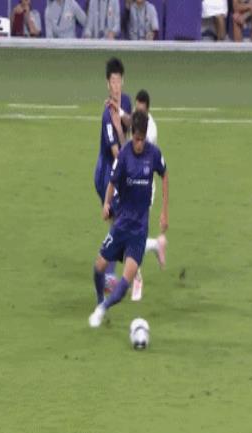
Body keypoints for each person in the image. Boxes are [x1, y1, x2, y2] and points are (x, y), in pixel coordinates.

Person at [88, 110, 169, 328]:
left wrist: (164, 212)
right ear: (132, 134)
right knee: (98, 266)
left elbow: (164, 174)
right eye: (137, 139)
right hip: (121, 225)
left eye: (142, 139)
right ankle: (100, 300)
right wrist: (106, 204)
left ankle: (101, 310)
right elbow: (112, 182)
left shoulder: (153, 154)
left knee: (125, 283)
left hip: (139, 232)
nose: (139, 144)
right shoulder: (124, 155)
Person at [94, 57, 132, 291]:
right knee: (119, 221)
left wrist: (123, 116)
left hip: (117, 172)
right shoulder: (107, 115)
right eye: (112, 82)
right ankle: (107, 273)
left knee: (119, 221)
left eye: (119, 81)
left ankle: (108, 270)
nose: (116, 86)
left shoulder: (125, 102)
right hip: (106, 174)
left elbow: (132, 125)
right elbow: (117, 152)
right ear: (107, 84)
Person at [130, 89, 166, 301]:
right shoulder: (135, 120)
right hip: (130, 186)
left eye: (141, 111)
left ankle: (137, 278)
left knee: (132, 235)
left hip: (143, 188)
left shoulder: (150, 131)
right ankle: (155, 245)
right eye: (137, 110)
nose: (138, 114)